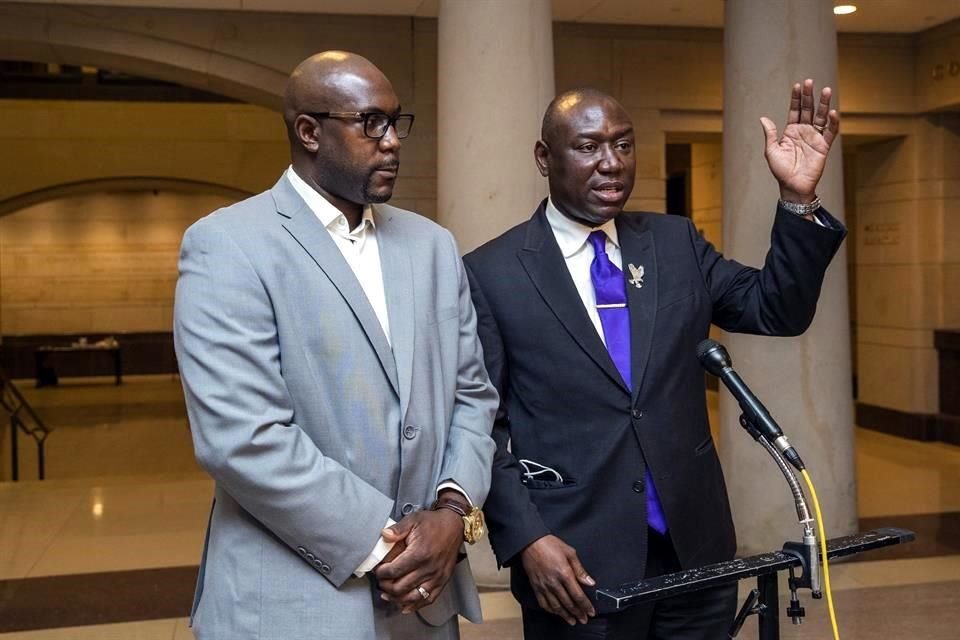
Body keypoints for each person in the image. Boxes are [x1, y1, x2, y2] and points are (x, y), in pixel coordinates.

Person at [463, 81, 846, 639]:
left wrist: (797, 200)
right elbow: (481, 425)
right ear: (545, 158)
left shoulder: (673, 243)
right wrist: (526, 540)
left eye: (623, 145)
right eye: (589, 147)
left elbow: (777, 309)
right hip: (574, 564)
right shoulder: (491, 273)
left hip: (696, 549)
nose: (611, 164)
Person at [173, 51, 497, 640]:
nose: (392, 141)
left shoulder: (432, 246)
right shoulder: (228, 245)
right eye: (371, 123)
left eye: (397, 122)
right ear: (309, 132)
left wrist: (452, 516)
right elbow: (242, 438)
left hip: (426, 601)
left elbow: (472, 394)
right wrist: (389, 547)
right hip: (294, 604)